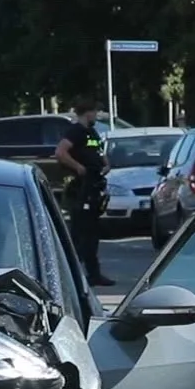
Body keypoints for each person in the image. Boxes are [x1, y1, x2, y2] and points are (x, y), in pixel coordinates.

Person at [54, 100, 114, 286]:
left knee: (91, 233)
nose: (96, 116)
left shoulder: (91, 132)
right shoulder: (75, 131)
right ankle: (68, 275)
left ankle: (93, 274)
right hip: (82, 188)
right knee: (80, 233)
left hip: (94, 186)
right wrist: (78, 167)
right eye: (95, 112)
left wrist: (105, 164)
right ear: (87, 112)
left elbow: (98, 151)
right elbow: (61, 152)